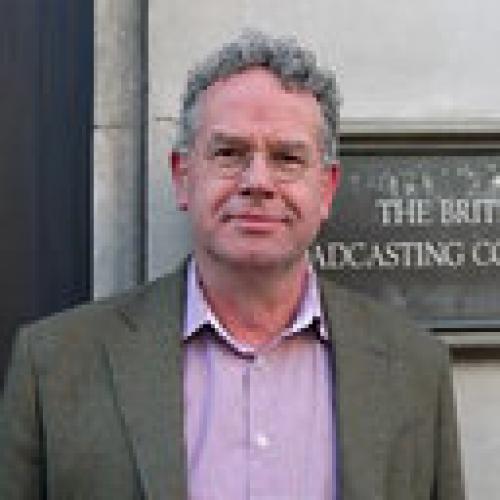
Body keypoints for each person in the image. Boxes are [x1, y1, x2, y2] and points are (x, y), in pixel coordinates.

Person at [0, 30, 464, 499]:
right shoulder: (54, 367)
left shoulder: (416, 369)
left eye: (287, 158)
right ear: (183, 177)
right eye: (229, 153)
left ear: (326, 188)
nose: (257, 182)